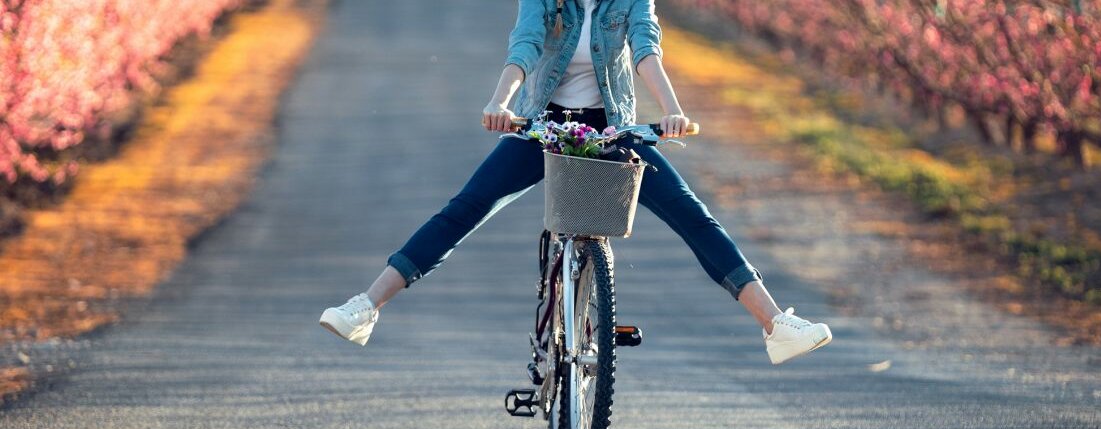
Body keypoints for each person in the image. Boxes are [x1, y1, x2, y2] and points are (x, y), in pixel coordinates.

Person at [319, 0, 832, 364]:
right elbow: (523, 48)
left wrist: (673, 111)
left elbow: (645, 49)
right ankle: (366, 306)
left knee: (691, 213)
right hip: (541, 124)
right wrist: (501, 103)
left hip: (612, 127)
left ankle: (775, 326)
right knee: (466, 207)